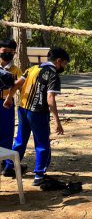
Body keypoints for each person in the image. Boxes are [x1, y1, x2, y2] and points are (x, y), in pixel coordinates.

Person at [3, 48, 69, 185]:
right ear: (58, 61)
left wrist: (9, 98)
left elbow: (16, 84)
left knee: (20, 140)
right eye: (64, 64)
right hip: (38, 113)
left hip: (23, 109)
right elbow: (50, 99)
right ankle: (39, 175)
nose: (64, 67)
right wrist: (57, 121)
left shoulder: (32, 69)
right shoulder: (53, 75)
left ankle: (9, 166)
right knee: (42, 143)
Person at [0, 39, 22, 169]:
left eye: (11, 51)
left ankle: (7, 164)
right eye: (5, 50)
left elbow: (21, 86)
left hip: (6, 104)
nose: (7, 53)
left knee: (7, 133)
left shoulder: (15, 70)